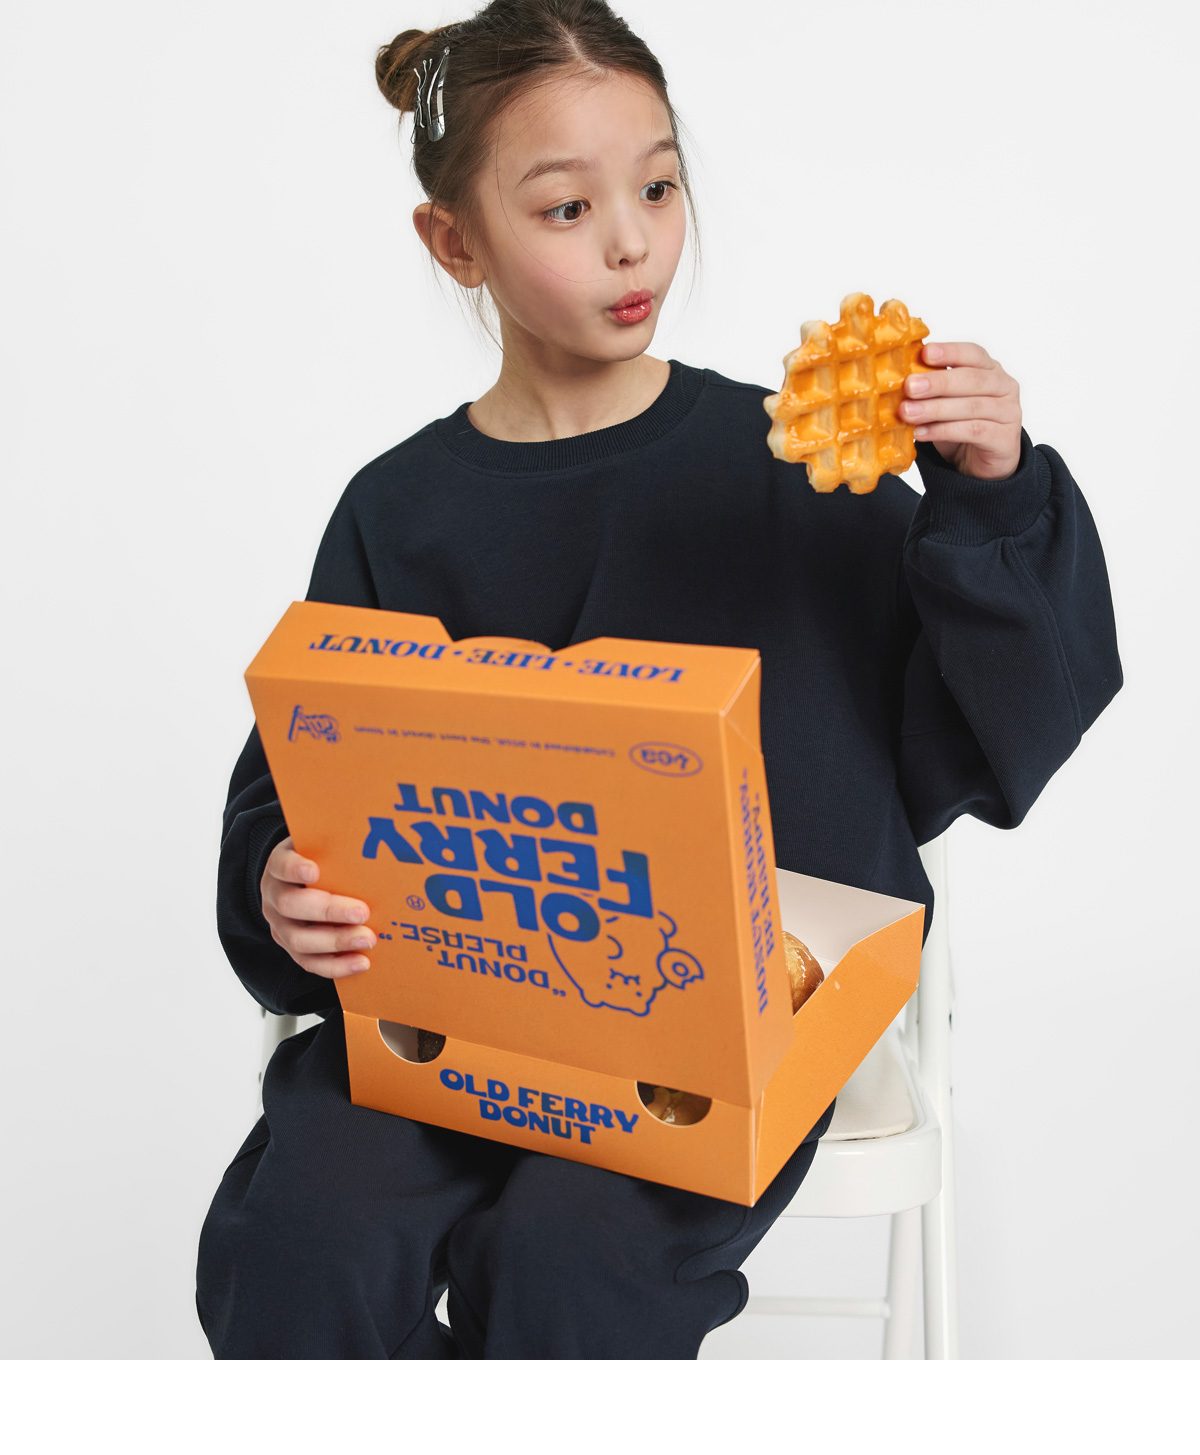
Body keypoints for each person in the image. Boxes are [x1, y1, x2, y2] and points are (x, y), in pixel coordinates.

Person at [196, 0, 1122, 1359]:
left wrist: (993, 495)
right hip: (461, 1004)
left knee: (569, 1262)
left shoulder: (791, 467)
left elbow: (997, 727)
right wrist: (284, 887)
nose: (632, 242)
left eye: (659, 186)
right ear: (456, 243)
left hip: (720, 1027)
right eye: (567, 209)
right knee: (301, 1243)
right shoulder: (398, 510)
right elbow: (296, 783)